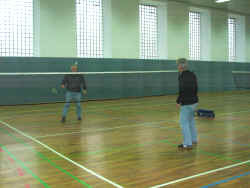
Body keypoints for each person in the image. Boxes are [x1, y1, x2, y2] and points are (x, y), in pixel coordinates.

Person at [176, 58, 198, 150]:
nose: (177, 67)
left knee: (183, 123)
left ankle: (187, 143)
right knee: (191, 121)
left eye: (178, 65)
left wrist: (178, 101)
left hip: (186, 103)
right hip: (194, 102)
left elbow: (182, 90)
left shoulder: (181, 76)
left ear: (181, 66)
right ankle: (194, 139)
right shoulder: (193, 74)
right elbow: (196, 88)